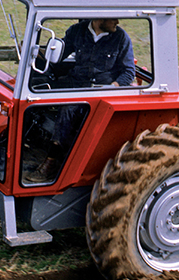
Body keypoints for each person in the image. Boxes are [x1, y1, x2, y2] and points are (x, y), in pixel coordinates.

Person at [26, 18, 135, 184]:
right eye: (113, 17)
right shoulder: (77, 31)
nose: (118, 21)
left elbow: (129, 72)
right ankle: (25, 146)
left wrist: (112, 87)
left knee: (69, 108)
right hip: (76, 83)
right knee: (36, 90)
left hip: (99, 91)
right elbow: (58, 55)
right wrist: (35, 51)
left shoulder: (120, 38)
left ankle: (51, 162)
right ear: (99, 18)